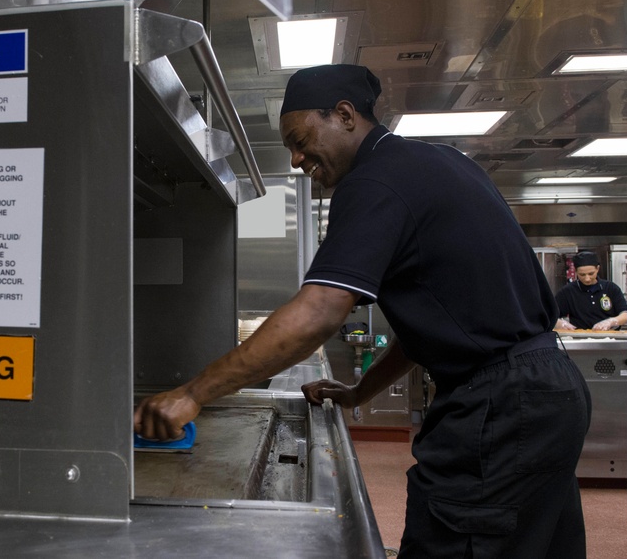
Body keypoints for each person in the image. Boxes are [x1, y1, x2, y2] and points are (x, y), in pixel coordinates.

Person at [133, 63, 590, 557]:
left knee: (459, 544)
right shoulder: (440, 162)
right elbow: (432, 325)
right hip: (545, 394)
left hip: (501, 406)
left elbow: (319, 312)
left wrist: (192, 393)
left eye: (300, 138)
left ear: (345, 115)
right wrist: (359, 392)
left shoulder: (374, 182)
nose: (295, 158)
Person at [555, 250, 627, 331]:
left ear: (598, 269)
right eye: (582, 275)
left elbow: (625, 314)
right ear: (576, 271)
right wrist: (559, 323)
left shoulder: (611, 288)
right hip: (579, 339)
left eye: (591, 274)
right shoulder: (567, 292)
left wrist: (611, 322)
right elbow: (550, 315)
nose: (587, 279)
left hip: (609, 338)